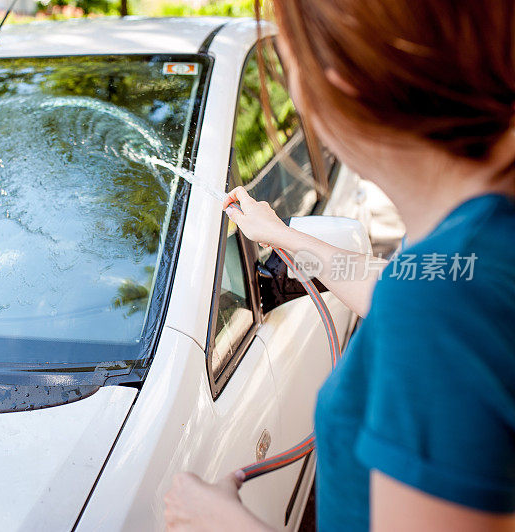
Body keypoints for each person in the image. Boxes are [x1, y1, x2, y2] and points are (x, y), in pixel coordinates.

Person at [164, 1, 515, 530]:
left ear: (340, 80)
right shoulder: (484, 237)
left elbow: (430, 306)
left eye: (289, 62)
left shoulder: (438, 310)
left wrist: (222, 523)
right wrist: (283, 235)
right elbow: (411, 286)